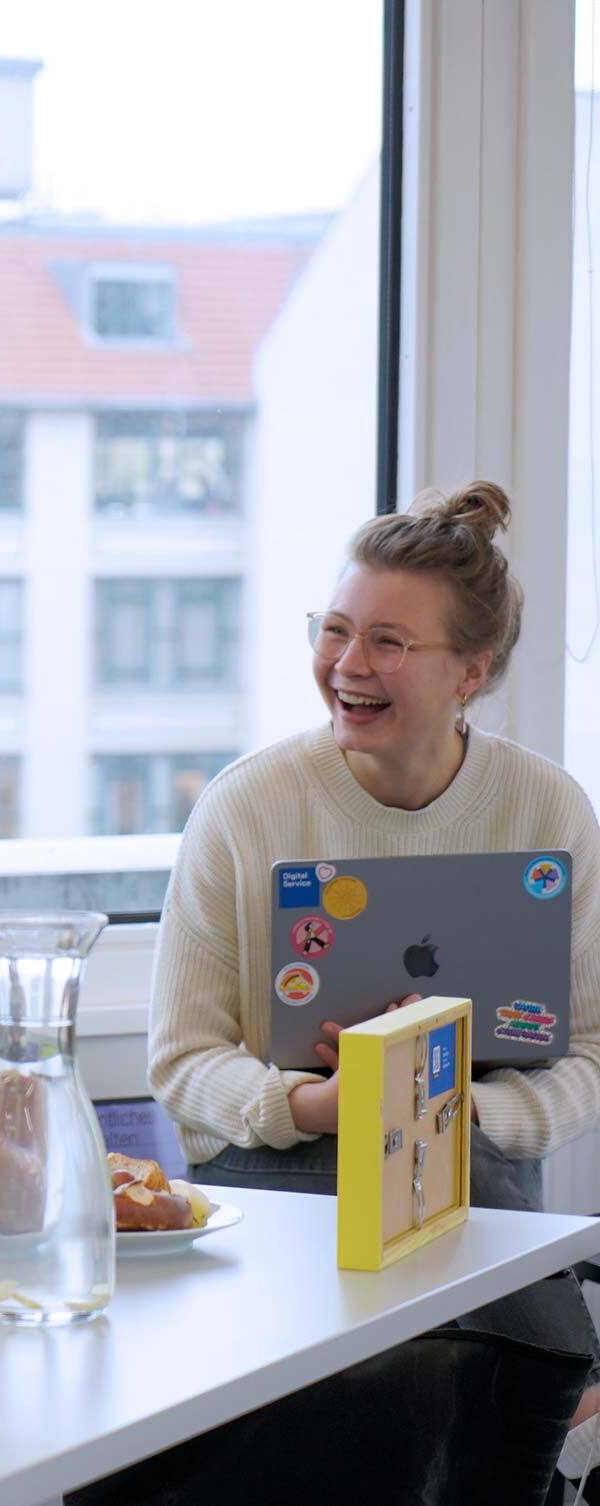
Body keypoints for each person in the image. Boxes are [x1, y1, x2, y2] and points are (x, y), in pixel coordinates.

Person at [138, 481, 600, 1500]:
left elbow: (590, 1051)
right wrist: (313, 1103)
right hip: (279, 1184)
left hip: (476, 1184)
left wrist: (446, 1108)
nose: (346, 665)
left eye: (387, 642)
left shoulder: (544, 811)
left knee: (503, 1385)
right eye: (335, 630)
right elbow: (178, 1061)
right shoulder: (247, 807)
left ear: (468, 672)